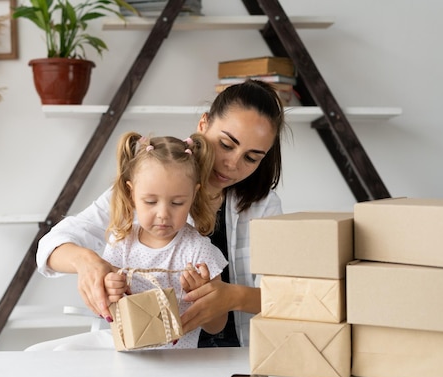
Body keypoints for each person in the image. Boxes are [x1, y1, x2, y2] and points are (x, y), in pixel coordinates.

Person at [36, 80, 285, 347]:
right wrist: (85, 262)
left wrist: (232, 298)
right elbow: (52, 245)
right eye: (226, 144)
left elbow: (288, 295)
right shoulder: (150, 183)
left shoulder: (263, 205)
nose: (232, 164)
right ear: (203, 124)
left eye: (251, 158)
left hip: (234, 354)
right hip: (142, 351)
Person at [103, 132, 228, 349]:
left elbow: (217, 326)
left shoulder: (198, 250)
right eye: (150, 201)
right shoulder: (122, 241)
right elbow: (104, 304)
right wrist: (109, 288)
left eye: (177, 203)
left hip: (179, 363)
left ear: (193, 195)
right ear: (131, 193)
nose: (163, 214)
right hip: (127, 356)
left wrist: (202, 294)